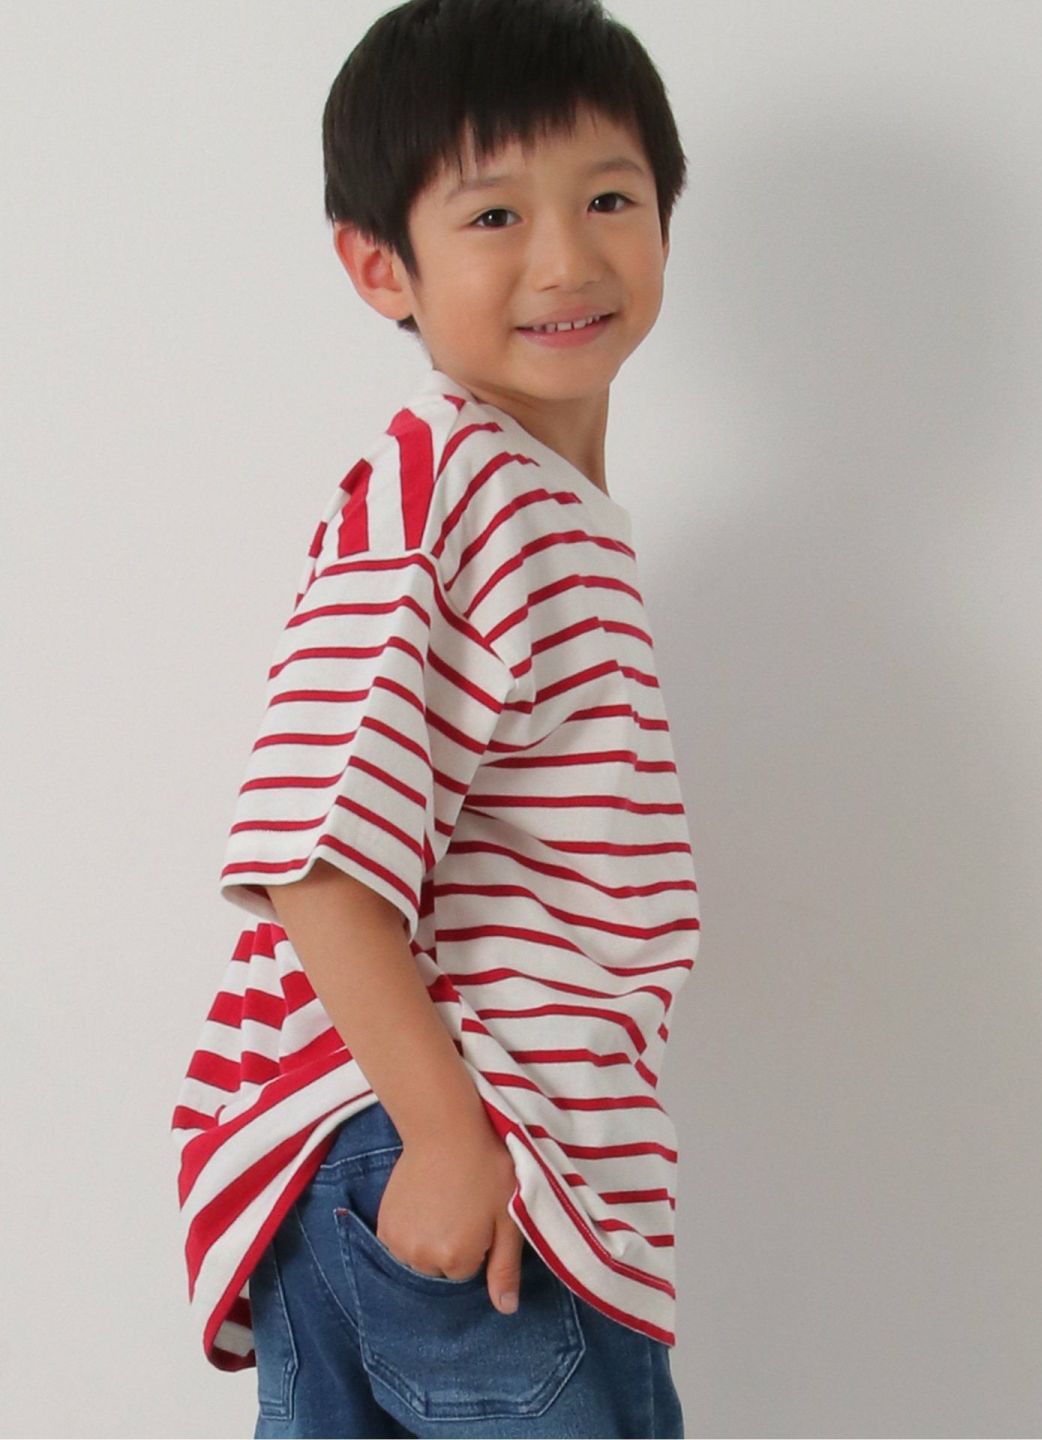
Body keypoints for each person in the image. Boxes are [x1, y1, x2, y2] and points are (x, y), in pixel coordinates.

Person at [170, 1, 699, 1434]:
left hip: (417, 1149)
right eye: (493, 215)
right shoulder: (458, 485)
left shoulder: (536, 506)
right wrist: (450, 1139)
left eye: (608, 199)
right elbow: (314, 853)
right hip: (456, 1147)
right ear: (378, 265)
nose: (565, 258)